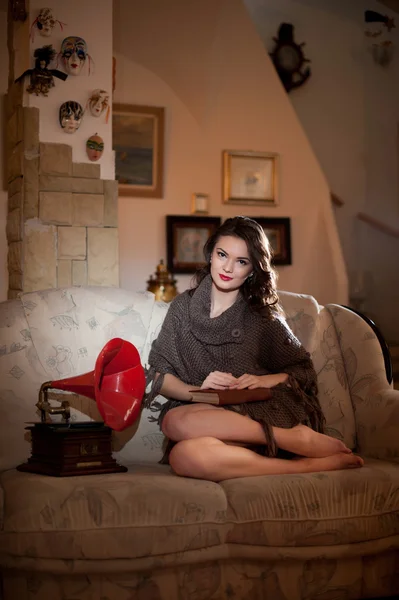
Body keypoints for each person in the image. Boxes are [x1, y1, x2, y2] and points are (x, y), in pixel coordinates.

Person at [145, 216, 364, 481]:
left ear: (252, 269)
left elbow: (302, 370)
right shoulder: (182, 308)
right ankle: (302, 461)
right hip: (204, 417)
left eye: (241, 261)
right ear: (210, 254)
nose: (227, 267)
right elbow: (159, 374)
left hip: (258, 412)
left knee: (177, 424)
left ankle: (289, 435)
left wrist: (262, 380)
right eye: (222, 254)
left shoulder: (261, 315)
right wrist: (200, 390)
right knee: (180, 447)